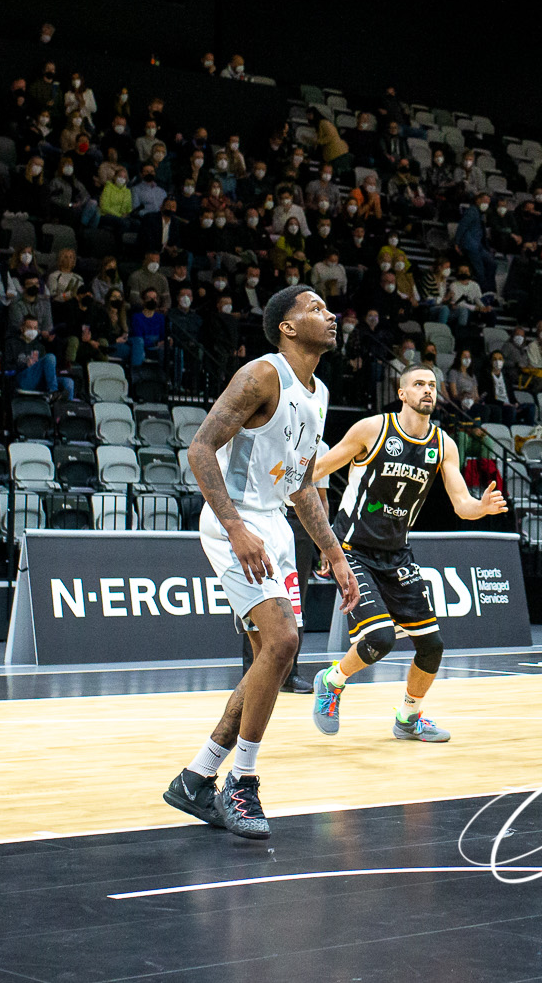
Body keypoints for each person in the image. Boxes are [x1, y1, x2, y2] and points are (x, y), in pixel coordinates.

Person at [162, 286, 359, 841]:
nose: (330, 314)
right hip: (236, 523)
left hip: (272, 524)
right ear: (288, 327)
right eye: (315, 309)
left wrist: (335, 554)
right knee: (283, 642)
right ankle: (242, 782)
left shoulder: (317, 394)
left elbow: (301, 486)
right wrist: (234, 527)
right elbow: (200, 449)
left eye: (328, 308)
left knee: (267, 662)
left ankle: (197, 778)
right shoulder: (261, 375)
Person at [306, 364, 507, 743]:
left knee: (431, 647)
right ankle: (331, 682)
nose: (427, 390)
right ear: (402, 393)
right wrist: (280, 475)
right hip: (351, 549)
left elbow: (462, 503)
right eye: (418, 384)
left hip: (397, 555)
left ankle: (409, 718)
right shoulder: (372, 429)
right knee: (379, 638)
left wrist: (481, 508)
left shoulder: (443, 444)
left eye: (432, 385)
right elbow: (320, 467)